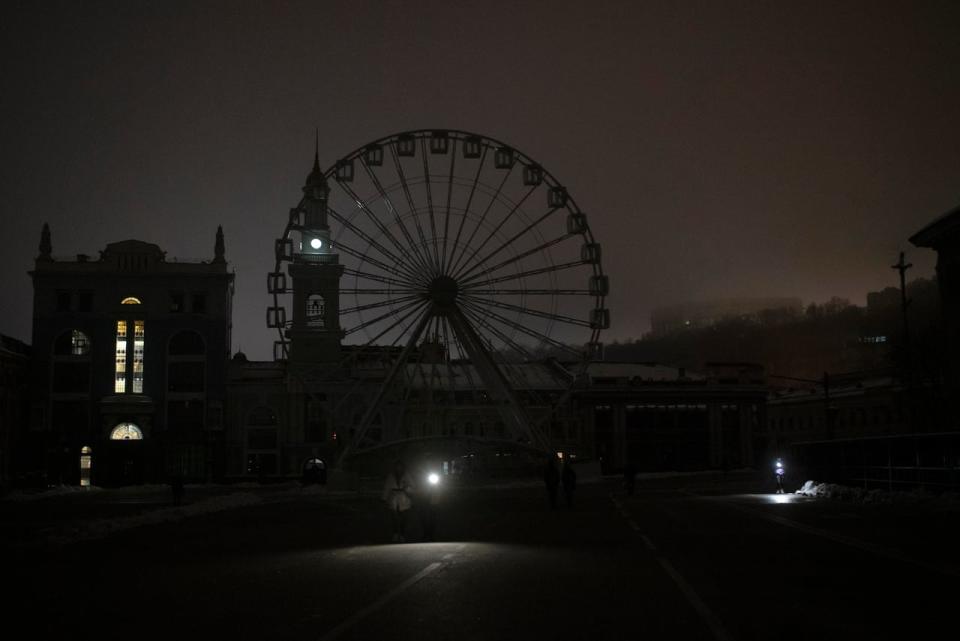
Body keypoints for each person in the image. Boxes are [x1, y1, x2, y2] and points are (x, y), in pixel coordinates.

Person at [382, 460, 414, 542]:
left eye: (400, 467)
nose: (399, 468)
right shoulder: (391, 476)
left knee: (404, 518)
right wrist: (384, 499)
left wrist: (408, 489)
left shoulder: (407, 476)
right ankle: (395, 534)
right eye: (397, 467)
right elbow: (387, 487)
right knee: (394, 518)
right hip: (393, 498)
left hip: (404, 498)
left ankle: (402, 534)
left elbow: (412, 486)